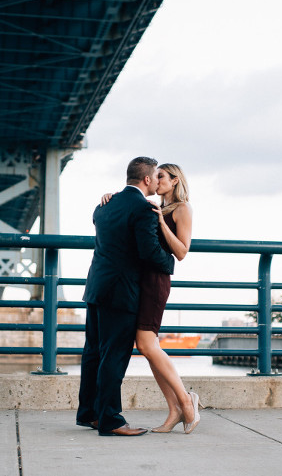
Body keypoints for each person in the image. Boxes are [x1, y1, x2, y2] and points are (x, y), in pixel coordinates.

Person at [76, 156, 175, 437]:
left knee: (93, 353)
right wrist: (170, 262)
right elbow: (148, 251)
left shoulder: (103, 205)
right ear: (147, 179)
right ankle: (111, 420)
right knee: (114, 355)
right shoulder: (144, 209)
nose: (157, 181)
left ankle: (90, 414)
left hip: (96, 287)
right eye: (156, 176)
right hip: (122, 291)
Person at [101, 163, 199, 434]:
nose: (156, 180)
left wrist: (161, 224)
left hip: (156, 282)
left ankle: (186, 401)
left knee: (146, 344)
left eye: (161, 176)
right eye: (155, 176)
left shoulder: (182, 208)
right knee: (148, 346)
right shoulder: (153, 206)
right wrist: (111, 198)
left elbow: (182, 251)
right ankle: (174, 409)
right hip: (138, 281)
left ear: (175, 180)